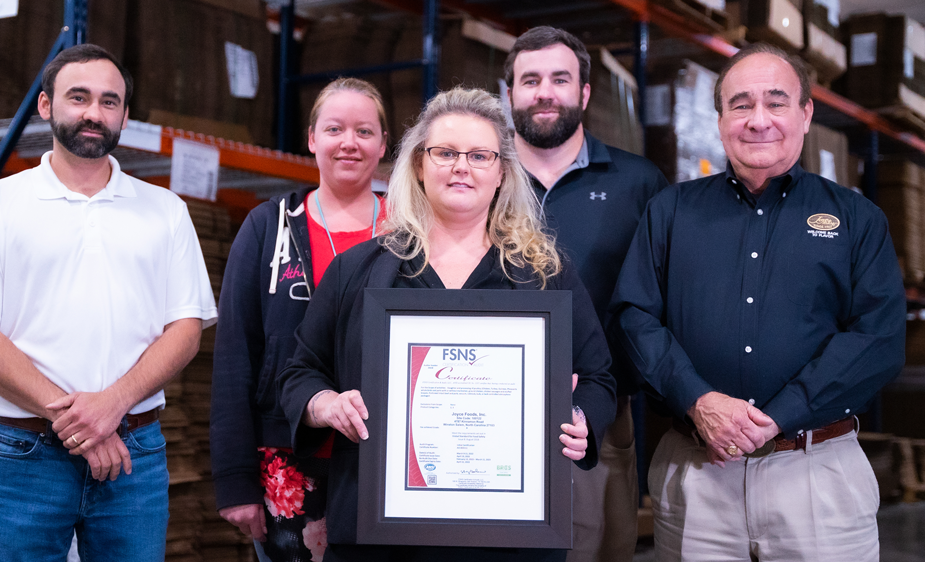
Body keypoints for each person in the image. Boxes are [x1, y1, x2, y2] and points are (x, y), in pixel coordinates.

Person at [276, 87, 618, 562]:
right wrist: (324, 404)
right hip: (380, 536)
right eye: (445, 153)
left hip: (512, 539)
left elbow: (598, 377)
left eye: (480, 155)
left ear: (501, 171)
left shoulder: (546, 274)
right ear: (419, 164)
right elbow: (300, 373)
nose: (462, 166)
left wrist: (581, 419)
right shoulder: (357, 271)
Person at [611, 43, 905, 561]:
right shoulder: (671, 212)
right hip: (699, 475)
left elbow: (877, 337)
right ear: (720, 117)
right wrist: (698, 400)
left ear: (806, 113)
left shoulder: (857, 219)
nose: (758, 120)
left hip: (816, 478)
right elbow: (634, 316)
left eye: (777, 101)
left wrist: (780, 416)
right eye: (741, 104)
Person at [0, 44, 217, 562]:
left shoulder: (166, 211)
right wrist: (80, 425)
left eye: (110, 101)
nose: (94, 112)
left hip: (134, 453)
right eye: (79, 97)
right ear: (46, 106)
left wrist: (111, 406)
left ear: (125, 116)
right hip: (27, 455)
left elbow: (186, 329)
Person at [505, 26, 668, 562]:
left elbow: (662, 301)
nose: (544, 92)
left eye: (559, 78)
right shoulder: (482, 178)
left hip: (600, 413)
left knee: (600, 548)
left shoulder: (638, 183)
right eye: (530, 80)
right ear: (510, 94)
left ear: (585, 93)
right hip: (489, 400)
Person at [210, 77, 389, 562]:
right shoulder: (269, 226)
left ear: (383, 145)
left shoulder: (412, 234)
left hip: (389, 456)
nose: (349, 143)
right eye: (334, 129)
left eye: (364, 131)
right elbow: (234, 355)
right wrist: (234, 480)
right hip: (285, 461)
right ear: (312, 139)